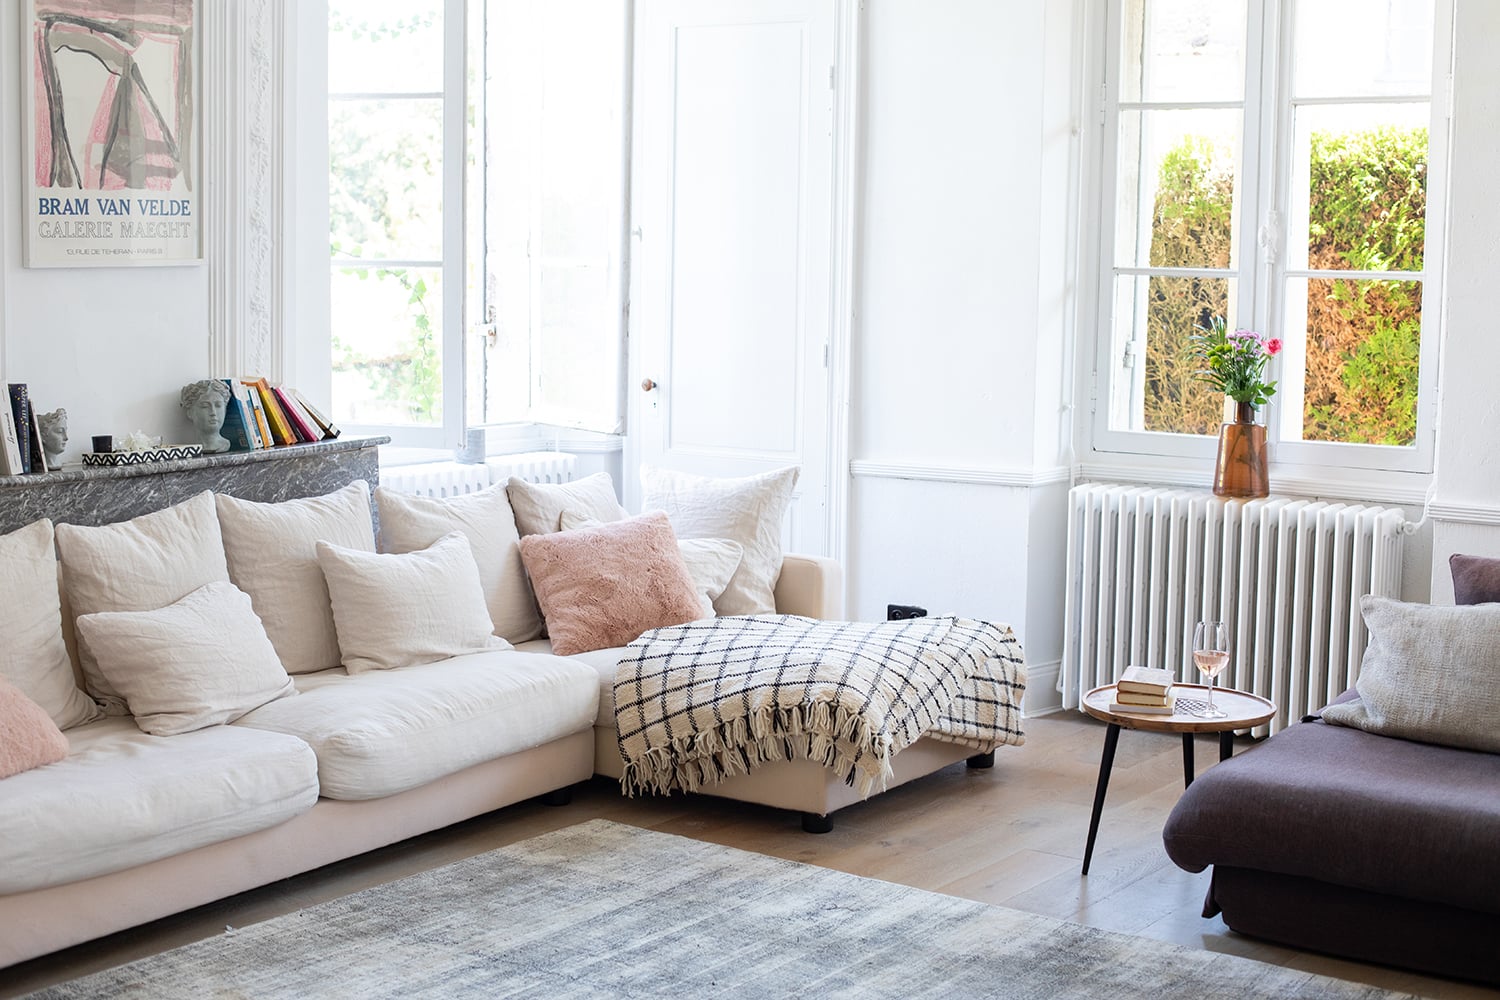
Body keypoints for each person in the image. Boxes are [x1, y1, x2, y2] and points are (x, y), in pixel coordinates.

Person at [179, 380, 231, 454]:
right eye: (205, 406)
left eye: (218, 405)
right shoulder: (191, 449)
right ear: (189, 412)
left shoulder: (225, 444)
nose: (213, 412)